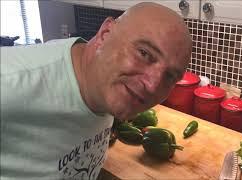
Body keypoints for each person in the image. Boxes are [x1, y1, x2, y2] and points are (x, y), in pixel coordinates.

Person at [0, 2, 192, 180]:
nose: (152, 86)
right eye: (144, 53)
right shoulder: (10, 83)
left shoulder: (104, 88)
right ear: (105, 33)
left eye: (170, 77)